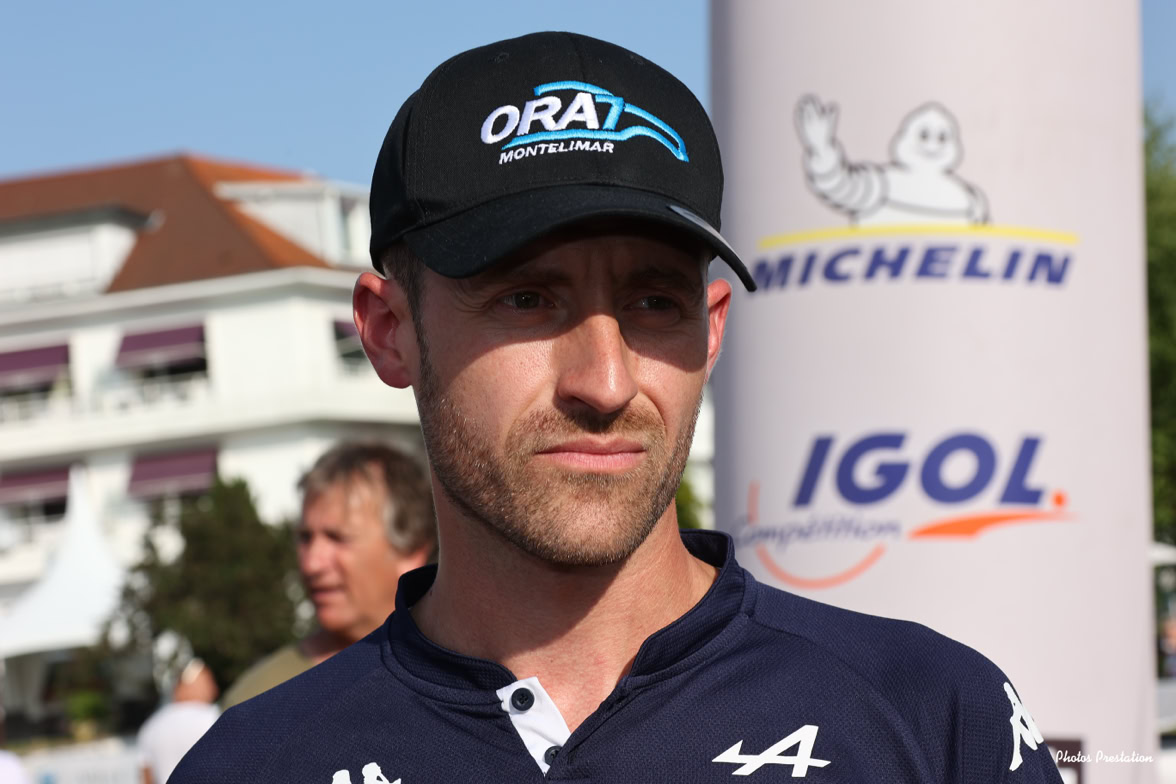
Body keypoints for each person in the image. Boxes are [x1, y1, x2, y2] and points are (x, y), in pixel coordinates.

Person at [172, 31, 1062, 783]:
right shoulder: (250, 766)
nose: (604, 382)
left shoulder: (935, 718)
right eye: (527, 299)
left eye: (654, 303)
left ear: (712, 330)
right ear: (388, 331)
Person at [221, 442, 435, 708]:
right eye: (305, 538)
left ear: (410, 551)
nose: (312, 564)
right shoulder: (257, 701)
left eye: (337, 537)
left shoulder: (463, 680)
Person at [137, 659, 219, 784]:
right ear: (186, 687)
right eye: (207, 682)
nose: (214, 689)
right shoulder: (213, 717)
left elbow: (146, 779)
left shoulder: (151, 726)